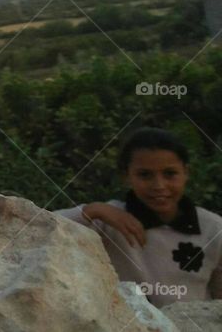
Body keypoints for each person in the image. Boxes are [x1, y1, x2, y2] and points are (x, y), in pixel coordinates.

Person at [55, 127, 222, 307]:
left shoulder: (213, 228)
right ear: (126, 176)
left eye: (170, 174)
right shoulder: (107, 220)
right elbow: (38, 226)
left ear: (186, 173)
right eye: (145, 175)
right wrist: (92, 210)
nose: (159, 185)